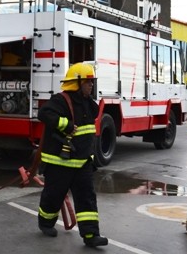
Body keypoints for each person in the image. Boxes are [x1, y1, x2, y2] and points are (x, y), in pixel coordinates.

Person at [37, 62, 108, 247]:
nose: (91, 85)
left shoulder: (87, 103)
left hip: (83, 162)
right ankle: (45, 222)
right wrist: (65, 124)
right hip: (60, 163)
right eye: (88, 82)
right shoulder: (61, 100)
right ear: (76, 83)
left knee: (87, 198)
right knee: (53, 196)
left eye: (92, 82)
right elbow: (44, 113)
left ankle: (91, 235)